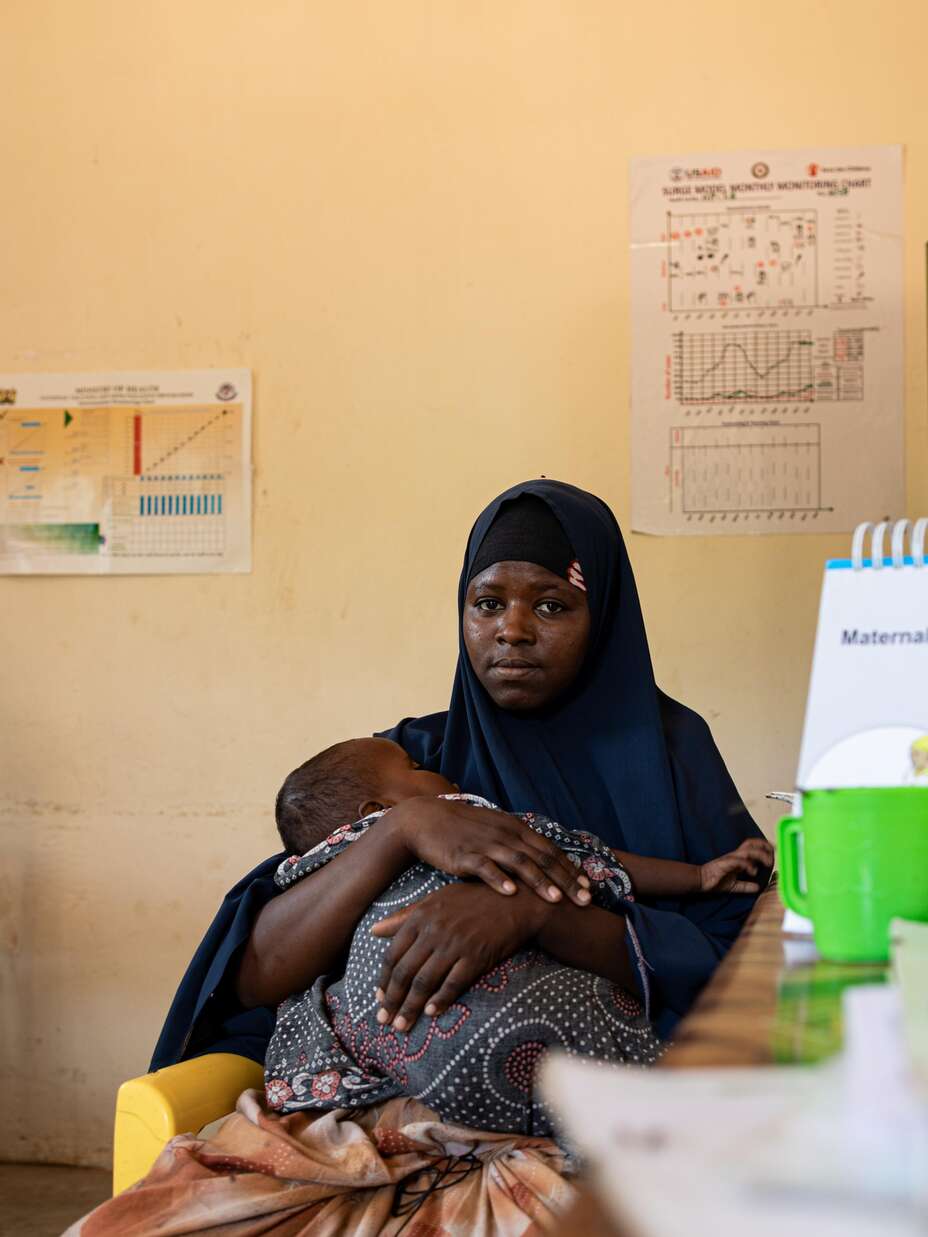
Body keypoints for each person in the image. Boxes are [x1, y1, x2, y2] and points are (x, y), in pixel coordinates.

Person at [151, 480, 769, 1074]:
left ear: (603, 615)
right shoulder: (412, 761)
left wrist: (538, 914)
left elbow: (734, 962)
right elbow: (257, 974)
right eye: (488, 603)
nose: (513, 630)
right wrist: (402, 828)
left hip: (611, 1080)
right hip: (403, 1084)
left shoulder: (671, 750)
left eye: (552, 605)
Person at [264, 736, 771, 1135]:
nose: (512, 630)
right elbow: (585, 860)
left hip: (416, 1066)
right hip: (537, 1039)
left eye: (552, 605)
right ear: (374, 811)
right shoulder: (464, 813)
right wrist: (699, 876)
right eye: (415, 770)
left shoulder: (307, 876)